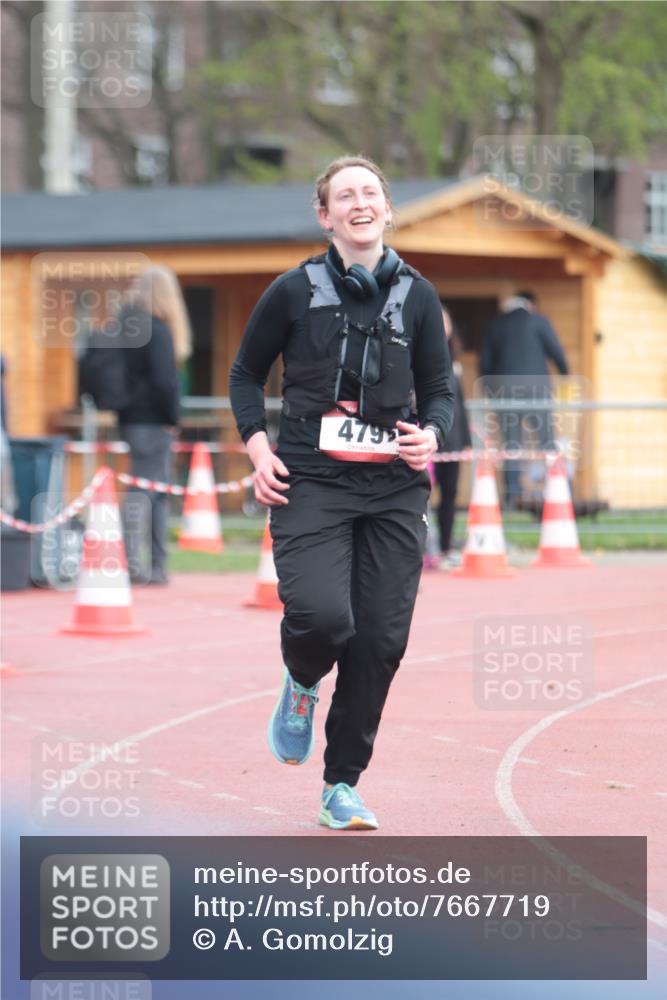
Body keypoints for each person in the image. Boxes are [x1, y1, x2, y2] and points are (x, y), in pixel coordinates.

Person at [230, 155, 453, 830]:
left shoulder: (417, 295)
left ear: (387, 210)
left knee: (380, 640)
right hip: (310, 480)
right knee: (326, 619)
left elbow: (439, 389)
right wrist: (258, 446)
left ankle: (340, 786)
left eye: (371, 193)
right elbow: (245, 374)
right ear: (324, 215)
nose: (359, 203)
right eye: (344, 195)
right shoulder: (292, 291)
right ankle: (301, 683)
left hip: (392, 488)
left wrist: (433, 435)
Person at [117, 266, 192, 585]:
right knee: (150, 492)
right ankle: (141, 564)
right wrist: (173, 418)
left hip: (130, 419)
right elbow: (165, 383)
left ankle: (150, 563)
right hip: (153, 421)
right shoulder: (158, 331)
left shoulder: (125, 328)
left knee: (148, 491)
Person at [479, 291, 569, 507]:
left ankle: (512, 497)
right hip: (538, 393)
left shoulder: (496, 324)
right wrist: (565, 375)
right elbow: (557, 352)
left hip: (506, 395)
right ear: (530, 305)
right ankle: (558, 492)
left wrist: (489, 393)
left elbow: (485, 363)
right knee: (548, 442)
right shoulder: (539, 321)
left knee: (511, 446)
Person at [434, 307, 471, 569]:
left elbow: (461, 404)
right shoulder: (420, 357)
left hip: (454, 440)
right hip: (427, 439)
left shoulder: (455, 361)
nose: (443, 324)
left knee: (450, 495)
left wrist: (466, 441)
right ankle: (420, 551)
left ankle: (446, 548)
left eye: (446, 320)